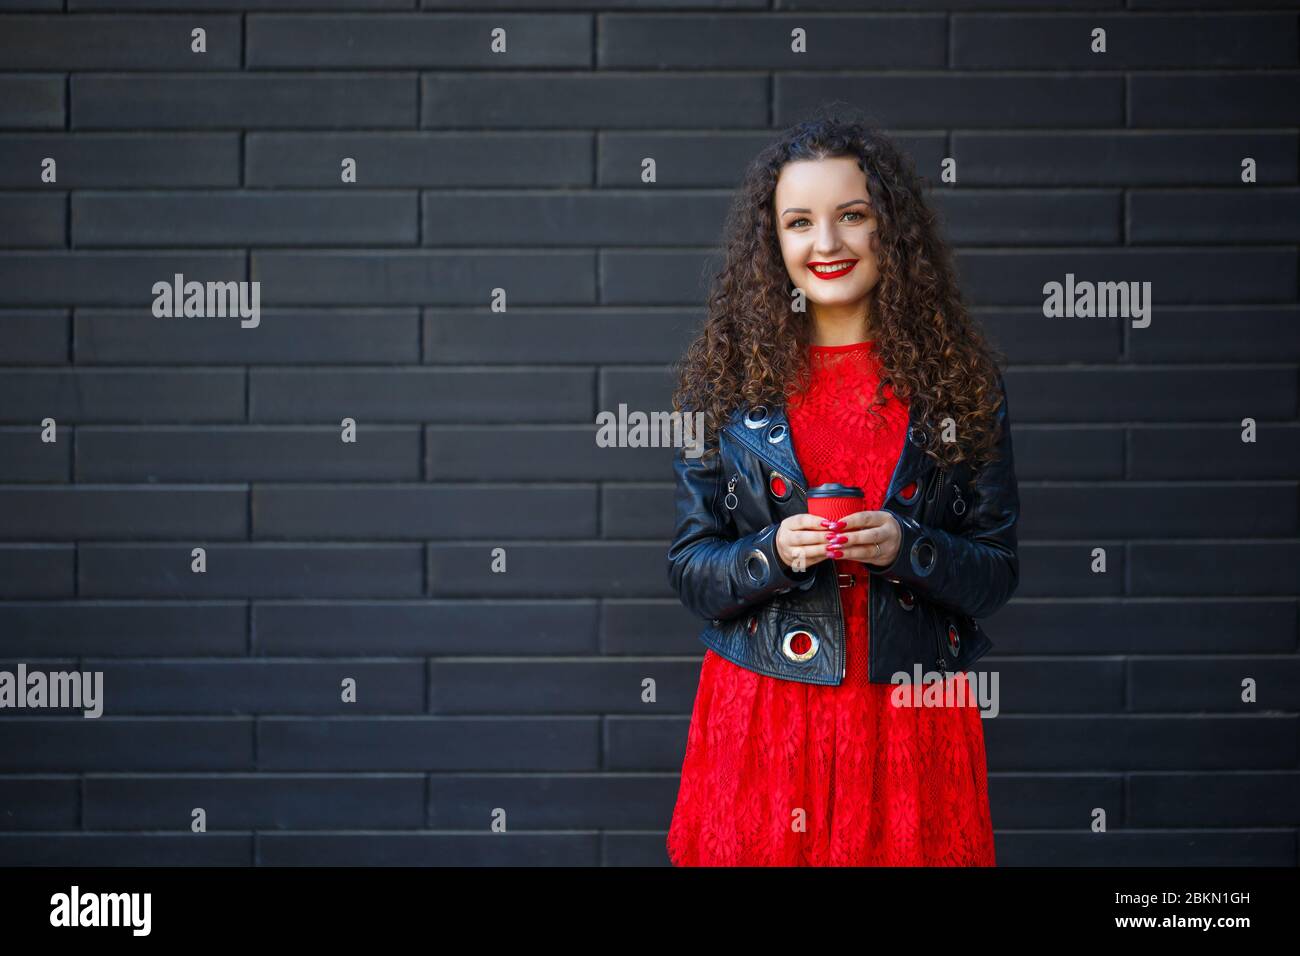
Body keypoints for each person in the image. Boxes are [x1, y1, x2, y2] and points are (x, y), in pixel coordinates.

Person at [665, 106, 1015, 866]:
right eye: (799, 222)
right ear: (772, 243)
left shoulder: (961, 384)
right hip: (762, 711)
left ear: (890, 227)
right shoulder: (722, 388)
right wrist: (771, 552)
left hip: (910, 711)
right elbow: (692, 570)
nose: (825, 244)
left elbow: (994, 571)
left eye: (851, 215)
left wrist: (908, 547)